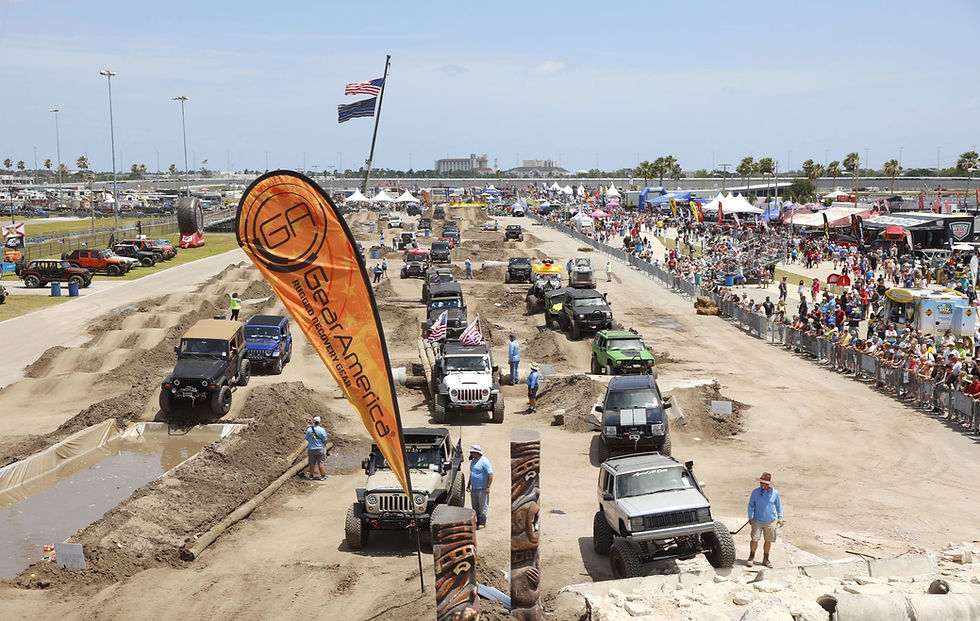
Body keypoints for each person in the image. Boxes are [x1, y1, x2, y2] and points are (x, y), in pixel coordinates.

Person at [746, 471, 784, 568]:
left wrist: (780, 518)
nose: (761, 484)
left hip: (770, 521)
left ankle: (766, 559)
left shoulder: (775, 493)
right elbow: (750, 505)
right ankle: (751, 557)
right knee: (754, 539)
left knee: (768, 540)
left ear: (768, 484)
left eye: (763, 483)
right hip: (757, 521)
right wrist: (750, 517)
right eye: (760, 482)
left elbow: (779, 507)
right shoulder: (755, 492)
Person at [467, 445, 493, 528]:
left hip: (482, 488)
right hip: (474, 488)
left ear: (477, 453)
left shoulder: (484, 461)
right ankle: (477, 521)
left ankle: (482, 522)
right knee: (475, 506)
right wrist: (468, 484)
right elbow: (472, 474)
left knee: (482, 506)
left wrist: (488, 487)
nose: (470, 453)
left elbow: (490, 475)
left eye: (472, 452)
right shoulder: (473, 461)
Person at [304, 416, 328, 481]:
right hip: (320, 449)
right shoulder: (322, 430)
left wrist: (313, 439)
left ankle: (311, 476)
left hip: (311, 449)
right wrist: (324, 446)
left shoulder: (309, 430)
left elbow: (306, 438)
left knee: (312, 463)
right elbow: (325, 440)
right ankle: (323, 476)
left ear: (313, 422)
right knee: (321, 463)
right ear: (319, 422)